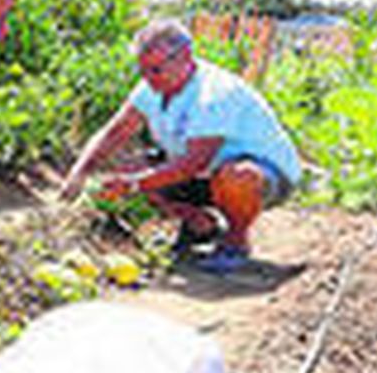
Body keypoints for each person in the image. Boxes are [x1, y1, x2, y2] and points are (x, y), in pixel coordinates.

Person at [59, 18, 302, 273]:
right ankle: (200, 224)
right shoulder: (150, 88)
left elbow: (194, 163)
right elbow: (116, 132)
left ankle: (236, 243)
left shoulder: (214, 93)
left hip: (266, 177)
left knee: (236, 177)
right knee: (131, 168)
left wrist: (133, 184)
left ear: (185, 56)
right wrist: (80, 171)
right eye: (143, 71)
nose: (148, 79)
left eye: (156, 70)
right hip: (207, 174)